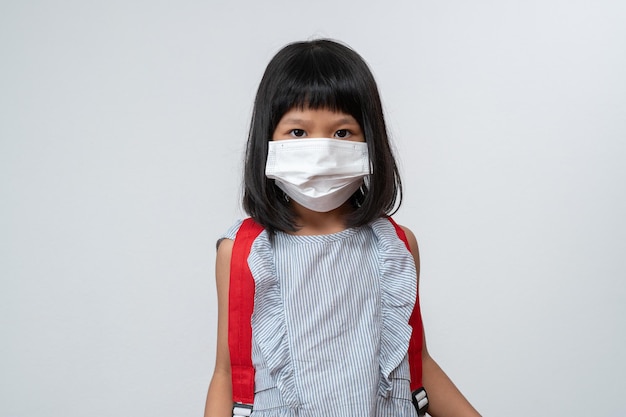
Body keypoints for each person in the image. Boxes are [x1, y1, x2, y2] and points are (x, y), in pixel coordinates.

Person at [204, 39, 480, 417]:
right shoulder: (245, 252)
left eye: (342, 133)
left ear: (371, 139)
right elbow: (226, 373)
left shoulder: (396, 246)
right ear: (268, 139)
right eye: (298, 133)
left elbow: (416, 365)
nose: (320, 151)